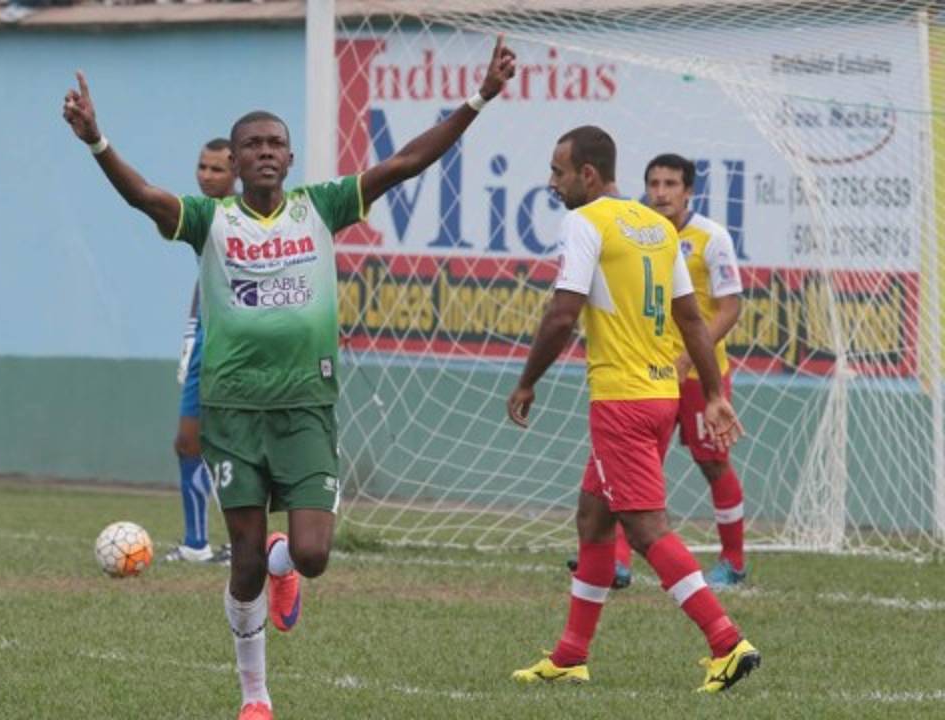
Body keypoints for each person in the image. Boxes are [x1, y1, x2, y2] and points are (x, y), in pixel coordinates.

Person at [63, 35, 515, 720]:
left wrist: (479, 98)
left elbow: (404, 162)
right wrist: (98, 143)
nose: (266, 151)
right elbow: (145, 197)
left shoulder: (321, 206)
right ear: (235, 162)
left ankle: (285, 569)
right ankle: (256, 697)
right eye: (253, 145)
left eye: (276, 142)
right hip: (233, 412)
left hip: (307, 407)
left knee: (312, 555)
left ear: (291, 155)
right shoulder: (210, 219)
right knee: (240, 557)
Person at [506, 126, 759, 692]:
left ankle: (726, 641)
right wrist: (714, 393)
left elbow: (562, 313)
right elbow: (691, 320)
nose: (552, 183)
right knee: (594, 519)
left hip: (620, 400)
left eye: (559, 172)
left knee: (646, 531)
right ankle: (571, 654)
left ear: (587, 175)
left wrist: (527, 382)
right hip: (661, 398)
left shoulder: (584, 221)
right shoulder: (656, 226)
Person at [567, 153, 748, 591]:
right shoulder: (638, 231)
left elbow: (730, 307)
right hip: (648, 375)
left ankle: (734, 561)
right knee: (631, 470)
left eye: (671, 184)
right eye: (654, 183)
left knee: (713, 463)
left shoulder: (712, 238)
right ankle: (618, 562)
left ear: (689, 191)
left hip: (699, 372)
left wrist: (692, 356)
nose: (661, 192)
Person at [165, 138, 236, 565]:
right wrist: (192, 332)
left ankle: (244, 543)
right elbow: (206, 279)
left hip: (239, 347)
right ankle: (196, 544)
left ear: (237, 174)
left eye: (217, 169)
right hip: (205, 341)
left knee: (234, 447)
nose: (207, 176)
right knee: (188, 442)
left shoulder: (244, 218)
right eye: (202, 167)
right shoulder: (200, 215)